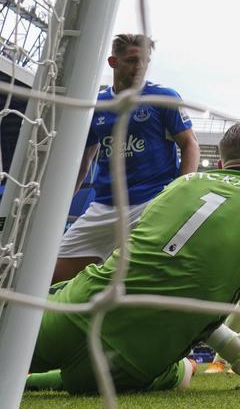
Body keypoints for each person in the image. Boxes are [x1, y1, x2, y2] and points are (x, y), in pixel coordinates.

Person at [26, 119, 240, 394]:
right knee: (185, 370)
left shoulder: (179, 186)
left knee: (14, 349)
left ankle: (25, 374)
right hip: (133, 357)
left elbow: (161, 268)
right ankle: (45, 383)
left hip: (79, 307)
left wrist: (235, 349)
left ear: (223, 160)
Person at [54, 34, 200, 283]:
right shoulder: (97, 105)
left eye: (145, 61)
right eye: (133, 60)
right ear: (113, 62)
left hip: (149, 203)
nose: (140, 67)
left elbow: (189, 144)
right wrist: (60, 202)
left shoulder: (162, 97)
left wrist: (179, 193)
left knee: (144, 284)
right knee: (51, 277)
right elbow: (83, 161)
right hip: (103, 207)